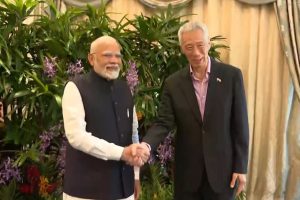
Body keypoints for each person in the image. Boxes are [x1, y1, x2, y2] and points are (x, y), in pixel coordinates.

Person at [141, 21, 249, 200]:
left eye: (200, 45)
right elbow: (163, 122)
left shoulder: (231, 76)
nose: (196, 52)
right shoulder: (173, 83)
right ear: (182, 49)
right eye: (189, 47)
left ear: (208, 44)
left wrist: (241, 167)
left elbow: (240, 125)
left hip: (223, 172)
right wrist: (146, 145)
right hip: (188, 173)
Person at [62, 36, 149, 200]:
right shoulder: (75, 87)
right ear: (91, 58)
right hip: (86, 191)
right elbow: (77, 137)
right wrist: (121, 153)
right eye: (108, 55)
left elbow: (133, 134)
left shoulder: (125, 89)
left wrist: (135, 177)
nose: (114, 60)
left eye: (118, 56)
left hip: (124, 189)